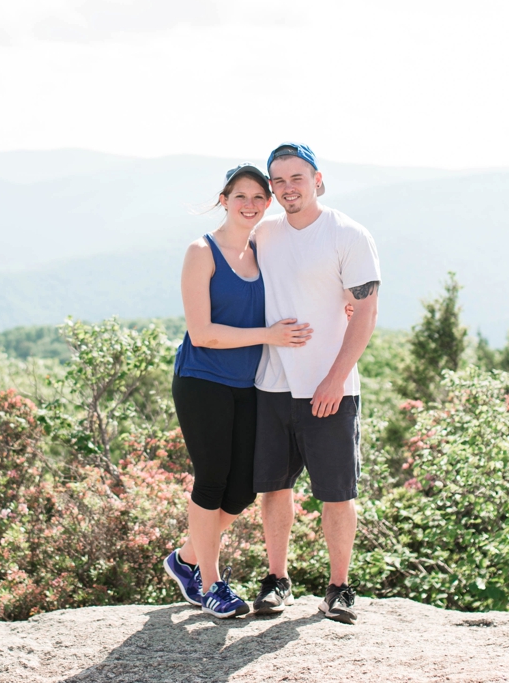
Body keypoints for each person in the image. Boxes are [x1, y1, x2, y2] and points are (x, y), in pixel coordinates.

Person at [162, 163, 313, 619]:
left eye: (257, 198)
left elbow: (301, 282)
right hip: (202, 380)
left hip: (248, 384)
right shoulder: (200, 252)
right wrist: (269, 335)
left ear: (267, 205)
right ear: (223, 200)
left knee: (245, 486)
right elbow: (202, 332)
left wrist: (345, 300)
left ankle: (186, 557)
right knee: (211, 480)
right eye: (240, 196)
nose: (249, 205)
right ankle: (210, 584)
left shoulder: (264, 249)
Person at [249, 143, 380, 624]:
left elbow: (365, 310)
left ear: (317, 179)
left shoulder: (348, 233)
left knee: (337, 492)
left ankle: (340, 588)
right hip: (271, 383)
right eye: (278, 181)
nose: (287, 189)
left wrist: (334, 379)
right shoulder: (263, 233)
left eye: (296, 178)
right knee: (274, 488)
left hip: (331, 387)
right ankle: (276, 580)